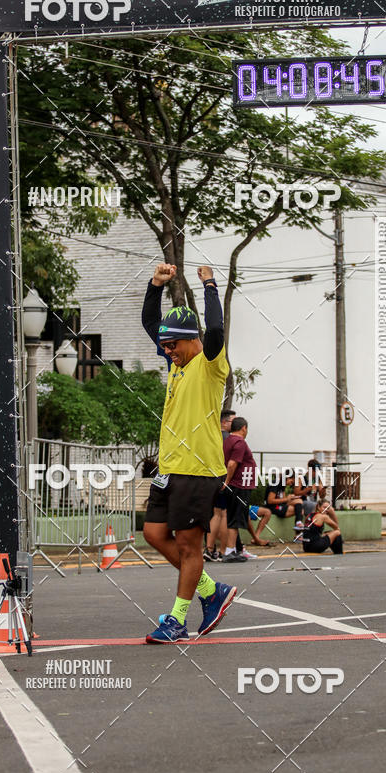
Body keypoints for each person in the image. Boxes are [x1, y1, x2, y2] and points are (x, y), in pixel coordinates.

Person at [142, 262, 236, 643]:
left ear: (191, 340)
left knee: (188, 543)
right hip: (170, 467)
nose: (167, 352)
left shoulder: (211, 365)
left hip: (198, 470)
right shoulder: (175, 364)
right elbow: (151, 323)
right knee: (153, 533)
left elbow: (214, 328)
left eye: (173, 345)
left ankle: (178, 619)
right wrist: (155, 286)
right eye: (164, 347)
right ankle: (212, 592)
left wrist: (210, 285)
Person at [222, 416, 257, 562]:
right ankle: (230, 551)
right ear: (243, 428)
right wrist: (227, 482)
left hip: (235, 485)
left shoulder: (228, 441)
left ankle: (233, 550)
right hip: (239, 485)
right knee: (235, 518)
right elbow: (232, 464)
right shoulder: (239, 442)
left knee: (233, 517)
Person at [203, 408, 237, 562]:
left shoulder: (213, 436)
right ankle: (222, 551)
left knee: (216, 513)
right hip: (223, 478)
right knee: (223, 514)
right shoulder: (229, 439)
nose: (235, 424)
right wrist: (228, 480)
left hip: (211, 477)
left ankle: (210, 549)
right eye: (233, 421)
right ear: (224, 422)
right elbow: (231, 463)